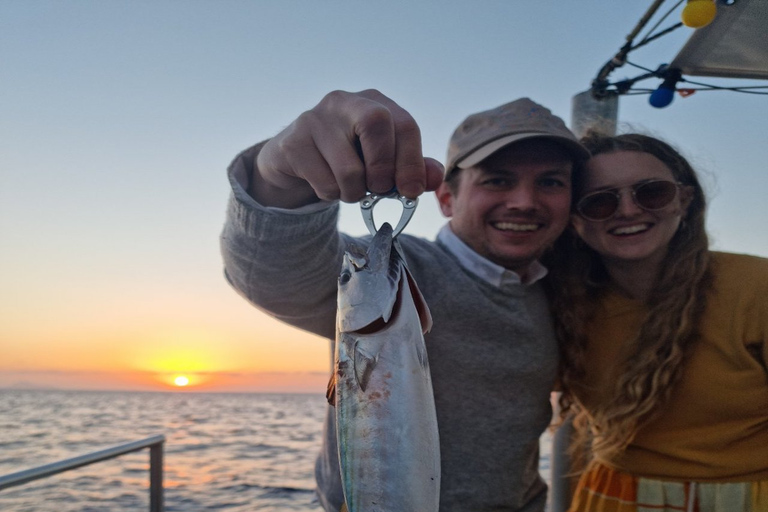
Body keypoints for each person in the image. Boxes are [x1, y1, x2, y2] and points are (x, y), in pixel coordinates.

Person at [219, 89, 590, 512]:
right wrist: (281, 182)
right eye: (497, 180)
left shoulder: (559, 291)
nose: (524, 201)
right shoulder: (403, 267)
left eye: (551, 182)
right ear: (447, 198)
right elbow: (275, 272)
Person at [546, 133, 768, 512]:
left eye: (651, 192)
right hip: (611, 499)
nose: (628, 211)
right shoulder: (563, 303)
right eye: (600, 202)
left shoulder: (754, 287)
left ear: (684, 198)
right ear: (574, 221)